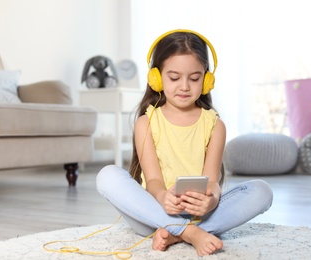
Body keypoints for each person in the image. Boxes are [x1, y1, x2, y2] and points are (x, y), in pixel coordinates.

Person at [96, 29, 273, 256]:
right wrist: (162, 197)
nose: (185, 86)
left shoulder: (215, 125)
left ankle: (176, 233)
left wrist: (212, 200)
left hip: (200, 215)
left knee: (262, 191)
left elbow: (211, 181)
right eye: (174, 77)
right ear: (157, 78)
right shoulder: (146, 122)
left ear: (207, 80)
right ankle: (191, 234)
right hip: (152, 216)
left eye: (195, 78)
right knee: (107, 175)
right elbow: (153, 180)